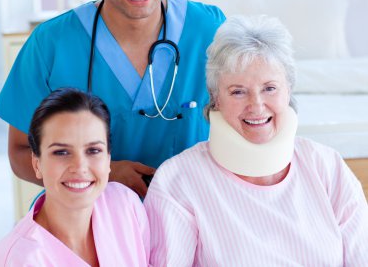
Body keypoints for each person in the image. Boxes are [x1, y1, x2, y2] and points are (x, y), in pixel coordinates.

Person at [0, 0, 225, 197]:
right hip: (84, 214)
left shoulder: (209, 30)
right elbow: (20, 153)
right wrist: (103, 172)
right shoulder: (51, 43)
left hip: (187, 212)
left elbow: (247, 122)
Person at [143, 15, 368, 266]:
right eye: (238, 92)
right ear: (215, 98)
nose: (257, 106)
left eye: (270, 88)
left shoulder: (327, 166)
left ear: (288, 91)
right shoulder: (178, 181)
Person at [0, 88, 150, 266]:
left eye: (93, 150)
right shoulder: (16, 259)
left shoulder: (126, 205)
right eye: (61, 152)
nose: (80, 167)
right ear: (37, 164)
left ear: (108, 158)